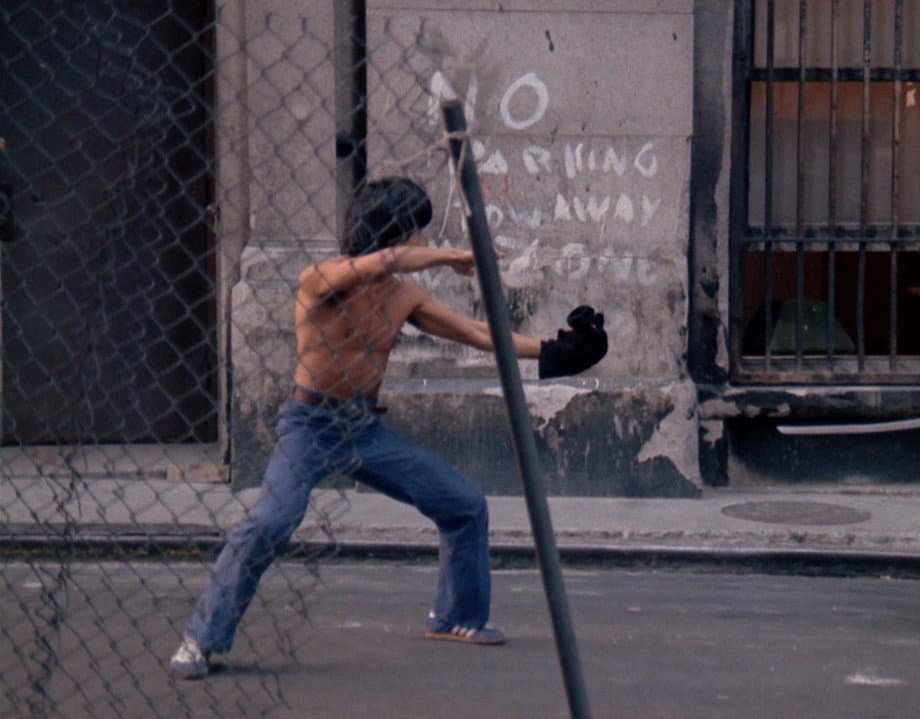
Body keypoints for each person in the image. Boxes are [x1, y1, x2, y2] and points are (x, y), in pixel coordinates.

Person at [170, 177, 608, 678]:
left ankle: (457, 617)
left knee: (464, 505)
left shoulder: (403, 296)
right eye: (418, 231)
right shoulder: (322, 279)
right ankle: (200, 640)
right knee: (270, 523)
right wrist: (448, 256)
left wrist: (555, 352)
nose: (425, 240)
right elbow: (382, 262)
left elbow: (474, 331)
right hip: (310, 428)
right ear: (396, 234)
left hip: (364, 430)